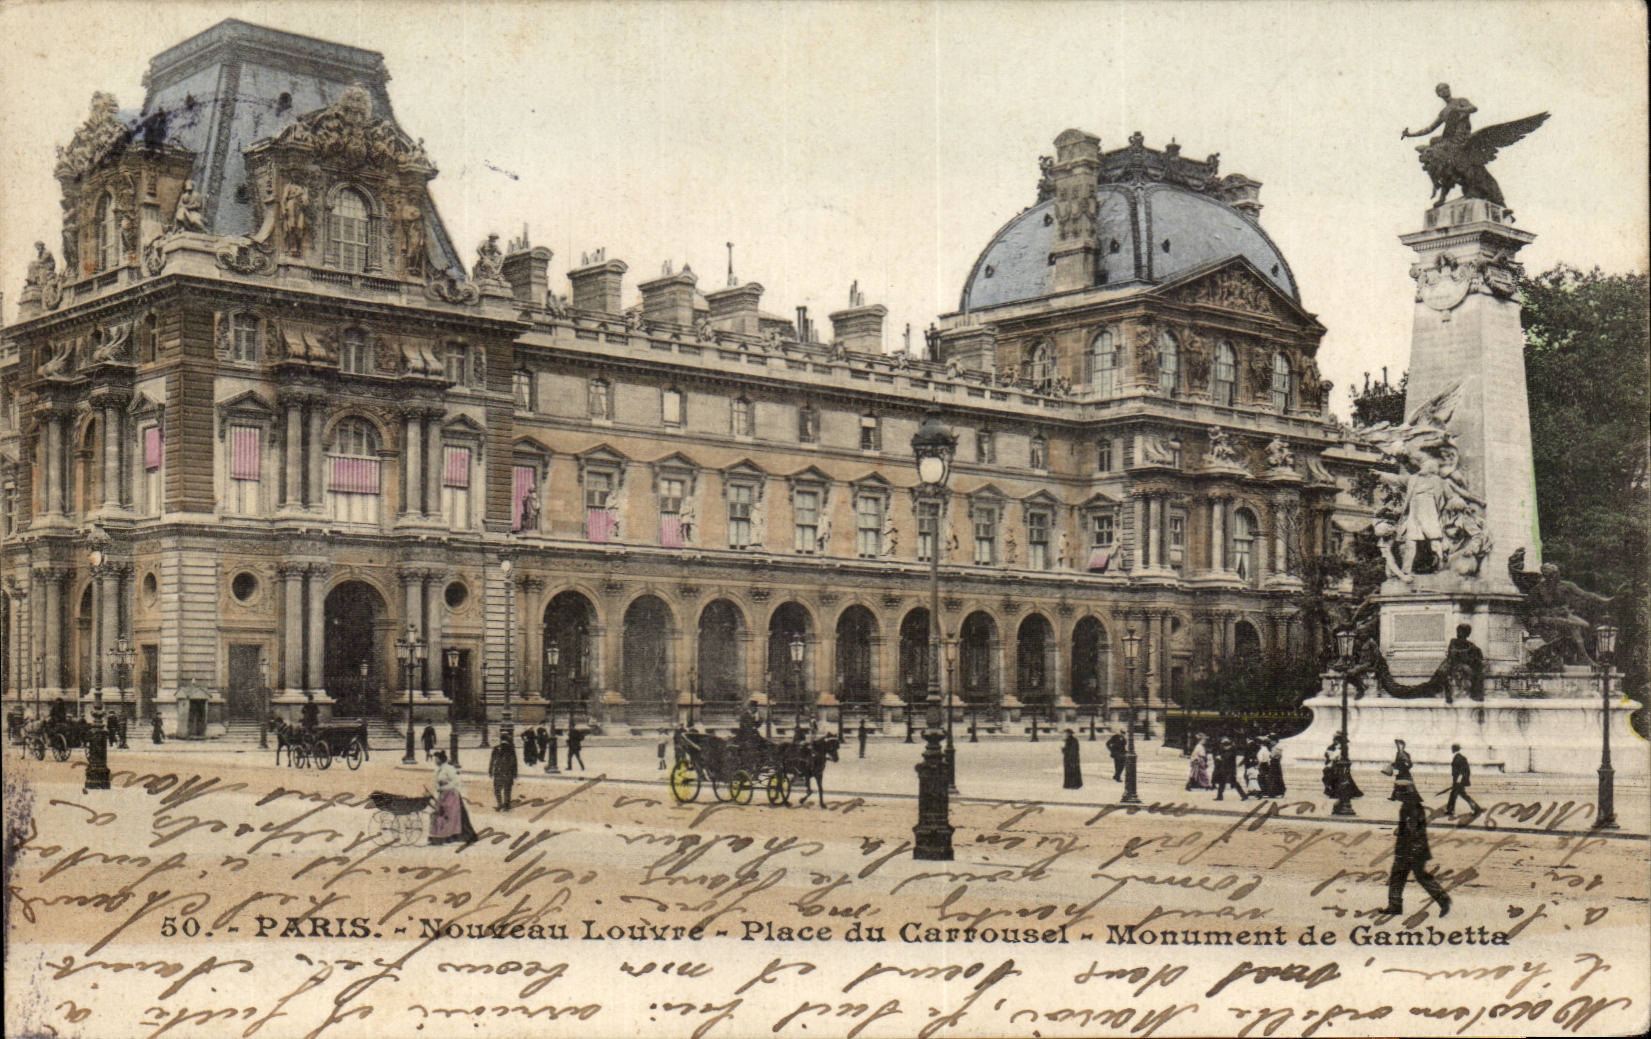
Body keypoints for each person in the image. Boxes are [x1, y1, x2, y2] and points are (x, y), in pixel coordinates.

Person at [1377, 779, 1451, 917]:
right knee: (1420, 876)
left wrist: (1402, 835)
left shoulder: (1408, 808)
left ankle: (1395, 906)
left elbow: (1412, 830)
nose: (1396, 795)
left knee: (1398, 876)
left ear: (1404, 793)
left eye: (1398, 792)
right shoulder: (1414, 806)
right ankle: (1443, 899)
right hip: (1418, 849)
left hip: (1409, 850)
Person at [428, 751, 477, 846]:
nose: (435, 761)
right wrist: (438, 788)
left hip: (451, 796)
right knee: (441, 815)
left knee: (451, 816)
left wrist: (444, 787)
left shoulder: (449, 769)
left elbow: (456, 781)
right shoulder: (439, 769)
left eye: (436, 759)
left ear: (441, 759)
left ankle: (450, 836)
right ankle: (440, 837)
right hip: (443, 795)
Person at [1444, 744, 1481, 816]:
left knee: (1460, 795)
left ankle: (1476, 808)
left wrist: (1458, 781)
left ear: (1453, 749)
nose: (1451, 750)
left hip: (1459, 781)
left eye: (1452, 749)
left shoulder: (1458, 758)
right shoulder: (1459, 757)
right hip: (1459, 781)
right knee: (1455, 795)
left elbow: (1462, 771)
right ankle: (1450, 810)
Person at [489, 734, 517, 811]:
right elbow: (514, 762)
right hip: (508, 772)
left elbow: (492, 761)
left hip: (498, 772)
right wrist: (515, 773)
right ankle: (506, 806)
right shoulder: (511, 749)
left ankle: (499, 804)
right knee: (507, 790)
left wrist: (490, 771)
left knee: (497, 789)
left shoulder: (496, 748)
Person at [1213, 736, 1243, 801]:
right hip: (1226, 768)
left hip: (1229, 769)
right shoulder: (1228, 749)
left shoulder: (1231, 749)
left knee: (1233, 782)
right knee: (1222, 782)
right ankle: (1219, 796)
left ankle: (1243, 795)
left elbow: (1227, 757)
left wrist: (1220, 758)